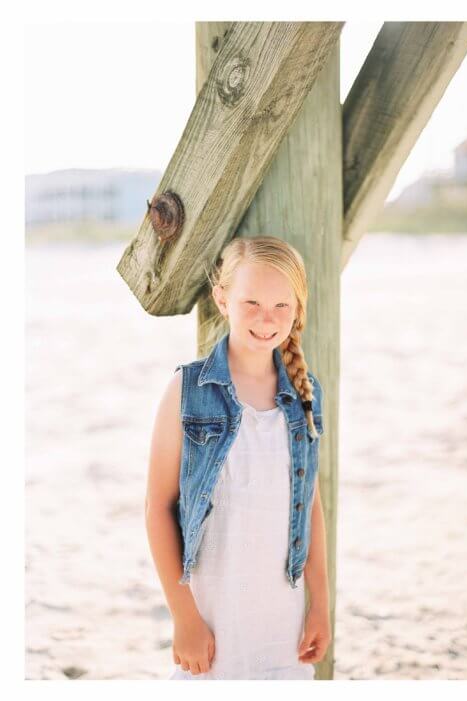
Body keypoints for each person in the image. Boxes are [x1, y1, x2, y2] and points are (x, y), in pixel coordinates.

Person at [145, 236, 331, 679]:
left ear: (297, 309)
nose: (267, 320)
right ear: (222, 299)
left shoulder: (305, 396)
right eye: (252, 302)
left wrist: (320, 606)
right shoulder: (187, 391)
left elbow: (311, 506)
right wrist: (184, 617)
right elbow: (158, 507)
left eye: (282, 306)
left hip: (282, 625)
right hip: (211, 619)